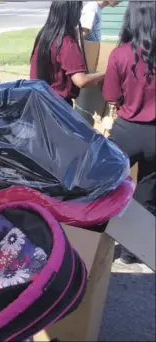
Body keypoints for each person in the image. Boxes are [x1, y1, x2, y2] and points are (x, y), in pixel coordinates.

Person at [102, 0, 156, 264]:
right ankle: (132, 252)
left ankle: (96, 237)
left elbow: (111, 96)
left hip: (126, 131)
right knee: (147, 192)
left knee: (105, 185)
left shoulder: (120, 54)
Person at [29, 1, 105, 107]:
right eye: (79, 10)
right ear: (73, 13)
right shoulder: (66, 42)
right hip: (58, 106)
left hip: (38, 101)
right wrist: (104, 74)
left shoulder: (44, 35)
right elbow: (81, 80)